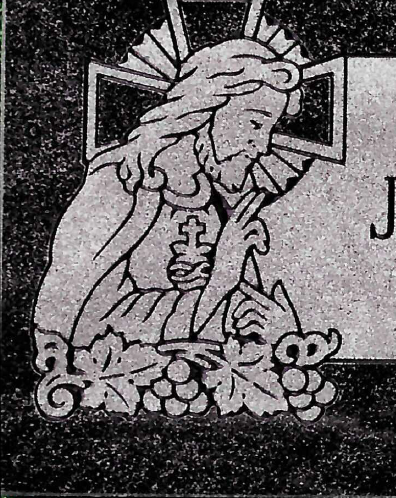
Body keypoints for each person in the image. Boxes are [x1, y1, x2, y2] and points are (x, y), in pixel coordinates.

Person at [36, 38, 306, 350]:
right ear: (206, 106)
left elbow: (234, 313)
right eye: (255, 123)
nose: (261, 146)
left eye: (269, 130)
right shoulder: (125, 182)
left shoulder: (217, 199)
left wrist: (275, 330)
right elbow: (73, 322)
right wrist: (221, 281)